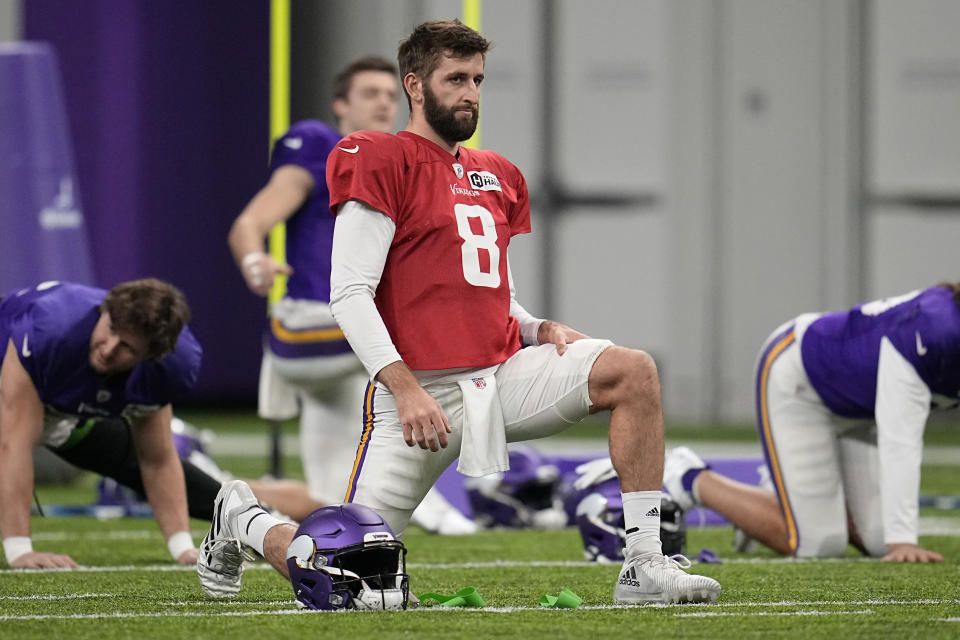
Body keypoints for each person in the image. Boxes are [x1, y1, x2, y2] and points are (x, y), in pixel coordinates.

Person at [198, 19, 721, 605]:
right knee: (348, 582)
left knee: (633, 371)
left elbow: (495, 290)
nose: (470, 92)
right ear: (415, 86)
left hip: (495, 379)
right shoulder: (377, 156)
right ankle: (244, 519)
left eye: (477, 79)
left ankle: (644, 565)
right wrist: (404, 387)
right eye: (455, 79)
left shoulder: (494, 173)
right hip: (414, 397)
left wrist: (535, 328)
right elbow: (348, 295)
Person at [228, 56, 474, 534]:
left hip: (345, 357)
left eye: (389, 94)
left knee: (332, 499)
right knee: (435, 337)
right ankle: (433, 492)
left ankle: (217, 489)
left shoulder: (404, 160)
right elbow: (250, 223)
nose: (383, 102)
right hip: (309, 324)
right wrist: (254, 259)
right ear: (341, 106)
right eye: (369, 94)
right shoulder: (322, 145)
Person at [663, 283, 960, 563]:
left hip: (859, 411)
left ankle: (773, 503)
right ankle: (688, 476)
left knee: (880, 540)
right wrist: (904, 542)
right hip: (801, 383)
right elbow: (900, 441)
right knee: (818, 542)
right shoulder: (935, 334)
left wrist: (897, 540)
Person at [0, 279, 217, 568]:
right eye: (111, 329)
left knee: (215, 497)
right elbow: (12, 443)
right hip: (17, 392)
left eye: (127, 346)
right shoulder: (53, 330)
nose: (109, 348)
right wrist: (20, 551)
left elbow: (157, 459)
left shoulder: (167, 367)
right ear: (103, 312)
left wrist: (183, 548)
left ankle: (271, 516)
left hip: (65, 415)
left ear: (149, 357)